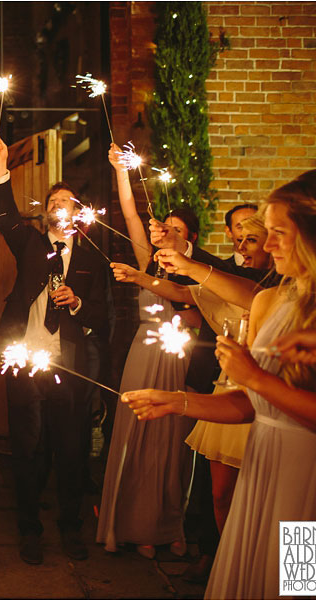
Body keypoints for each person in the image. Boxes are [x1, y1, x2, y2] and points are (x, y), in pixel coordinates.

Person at [123, 168, 316, 599]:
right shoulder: (272, 299)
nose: (267, 246)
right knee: (256, 579)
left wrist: (255, 377)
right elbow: (251, 405)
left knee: (312, 588)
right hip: (266, 467)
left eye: (278, 234)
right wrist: (176, 402)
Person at [0, 134, 110, 563]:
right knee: (28, 447)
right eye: (54, 200)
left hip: (69, 365)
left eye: (68, 201)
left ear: (78, 213)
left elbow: (103, 315)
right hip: (25, 361)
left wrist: (77, 302)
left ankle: (71, 527)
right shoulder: (32, 245)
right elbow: (5, 219)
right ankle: (29, 529)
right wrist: (1, 170)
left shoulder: (93, 258)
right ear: (46, 212)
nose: (61, 205)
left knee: (71, 447)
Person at [98, 143, 194, 559]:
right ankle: (134, 527)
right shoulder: (148, 259)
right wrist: (121, 171)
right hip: (144, 349)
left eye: (174, 229)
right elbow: (131, 212)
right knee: (137, 433)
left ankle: (170, 525)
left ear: (189, 236)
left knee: (171, 442)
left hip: (179, 355)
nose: (163, 232)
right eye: (162, 227)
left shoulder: (200, 265)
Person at [222, 203, 259, 268]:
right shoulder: (221, 270)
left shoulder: (277, 271)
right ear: (229, 231)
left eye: (254, 225)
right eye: (240, 227)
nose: (248, 231)